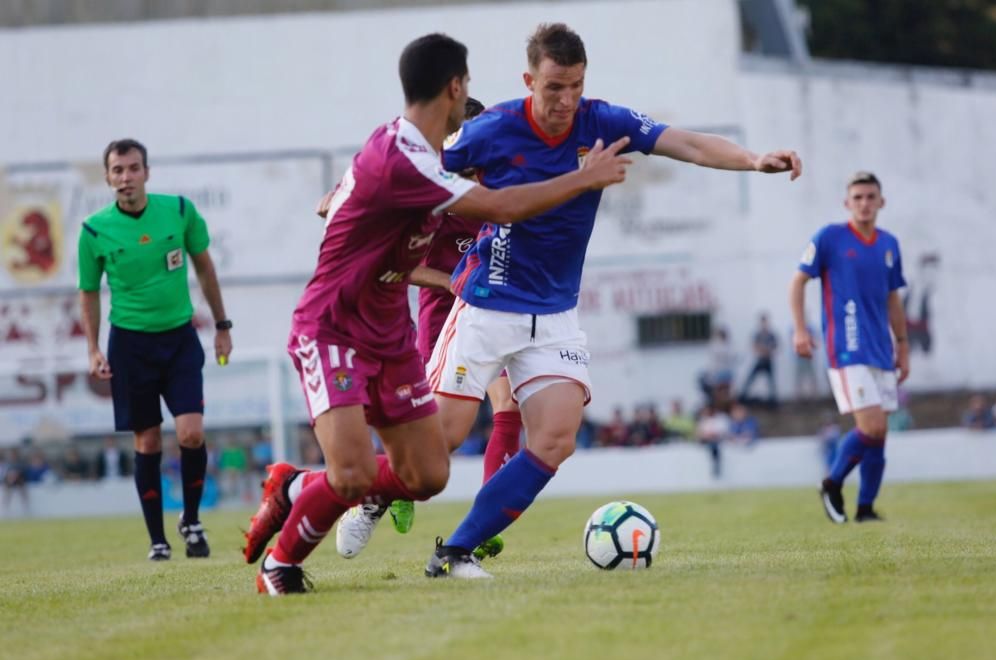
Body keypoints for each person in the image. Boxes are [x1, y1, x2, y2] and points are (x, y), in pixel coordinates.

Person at [241, 32, 633, 595]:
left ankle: (300, 487)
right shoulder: (409, 161)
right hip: (337, 326)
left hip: (391, 329)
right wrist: (585, 177)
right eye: (468, 86)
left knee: (427, 474)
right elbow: (499, 206)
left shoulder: (429, 159)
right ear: (455, 89)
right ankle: (282, 562)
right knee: (352, 475)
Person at [403, 22, 798, 578]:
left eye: (576, 87)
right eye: (554, 88)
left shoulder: (602, 121)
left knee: (555, 438)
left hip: (555, 313)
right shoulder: (491, 130)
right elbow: (411, 173)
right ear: (528, 81)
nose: (566, 101)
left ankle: (454, 552)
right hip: (488, 304)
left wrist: (753, 160)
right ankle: (345, 491)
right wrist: (352, 199)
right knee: (437, 445)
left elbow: (684, 142)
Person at [333, 97, 519, 560]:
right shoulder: (427, 194)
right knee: (432, 436)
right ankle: (375, 501)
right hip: (445, 316)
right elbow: (391, 260)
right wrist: (454, 283)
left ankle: (485, 520)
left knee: (508, 403)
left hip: (499, 312)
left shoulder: (502, 186)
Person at [78, 138, 232, 560]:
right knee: (147, 442)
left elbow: (205, 267)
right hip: (129, 344)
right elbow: (89, 293)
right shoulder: (94, 231)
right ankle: (157, 539)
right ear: (108, 177)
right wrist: (93, 349)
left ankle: (192, 521)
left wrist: (222, 325)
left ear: (147, 172)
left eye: (132, 168)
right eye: (117, 170)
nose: (125, 177)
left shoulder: (180, 212)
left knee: (192, 432)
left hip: (180, 338)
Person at [791, 171, 908, 524]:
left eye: (871, 197)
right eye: (857, 197)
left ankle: (866, 508)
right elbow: (797, 282)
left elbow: (893, 298)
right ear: (847, 203)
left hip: (880, 350)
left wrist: (902, 344)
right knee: (870, 426)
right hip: (847, 348)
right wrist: (800, 329)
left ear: (881, 202)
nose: (864, 203)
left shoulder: (889, 244)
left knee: (880, 433)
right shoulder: (830, 238)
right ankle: (831, 482)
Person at [739, 312, 779, 407]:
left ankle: (773, 401)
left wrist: (766, 350)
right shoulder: (757, 334)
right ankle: (742, 397)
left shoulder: (771, 334)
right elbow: (754, 347)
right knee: (750, 379)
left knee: (771, 382)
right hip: (760, 361)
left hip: (768, 361)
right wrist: (764, 349)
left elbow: (775, 347)